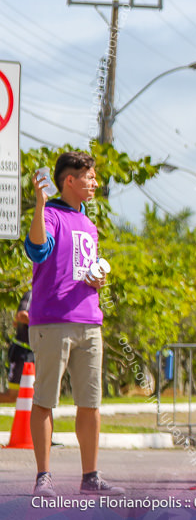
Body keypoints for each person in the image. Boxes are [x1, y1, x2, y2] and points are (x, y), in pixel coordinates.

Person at [24, 152, 124, 498]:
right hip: (53, 322)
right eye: (90, 177)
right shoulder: (50, 215)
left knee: (90, 403)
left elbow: (85, 266)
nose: (95, 183)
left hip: (89, 322)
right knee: (45, 401)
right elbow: (38, 251)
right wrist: (38, 206)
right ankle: (43, 477)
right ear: (70, 180)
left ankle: (91, 477)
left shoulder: (90, 225)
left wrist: (97, 279)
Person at [1, 290, 32, 403]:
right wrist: (42, 323)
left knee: (36, 394)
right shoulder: (31, 293)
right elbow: (21, 316)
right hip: (21, 351)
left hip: (35, 352)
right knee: (12, 396)